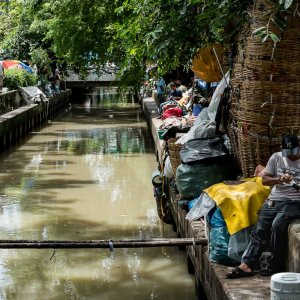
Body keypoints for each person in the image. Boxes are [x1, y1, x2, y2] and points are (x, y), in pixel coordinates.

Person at [226, 134, 300, 278]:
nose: (291, 157)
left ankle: (274, 264)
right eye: (288, 153)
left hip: (294, 201)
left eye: (294, 153)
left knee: (278, 225)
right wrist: (279, 179)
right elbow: (264, 180)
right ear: (282, 149)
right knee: (260, 227)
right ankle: (246, 265)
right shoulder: (276, 157)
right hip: (275, 199)